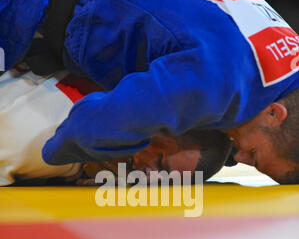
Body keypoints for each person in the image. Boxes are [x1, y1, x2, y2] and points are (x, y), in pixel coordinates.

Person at [1, 0, 299, 183]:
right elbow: (84, 132)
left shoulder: (284, 54)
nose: (241, 159)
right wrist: (84, 164)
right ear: (275, 114)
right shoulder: (220, 83)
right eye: (255, 155)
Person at [0, 68, 231, 186]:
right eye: (159, 162)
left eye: (162, 180)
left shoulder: (112, 81)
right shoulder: (37, 135)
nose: (145, 174)